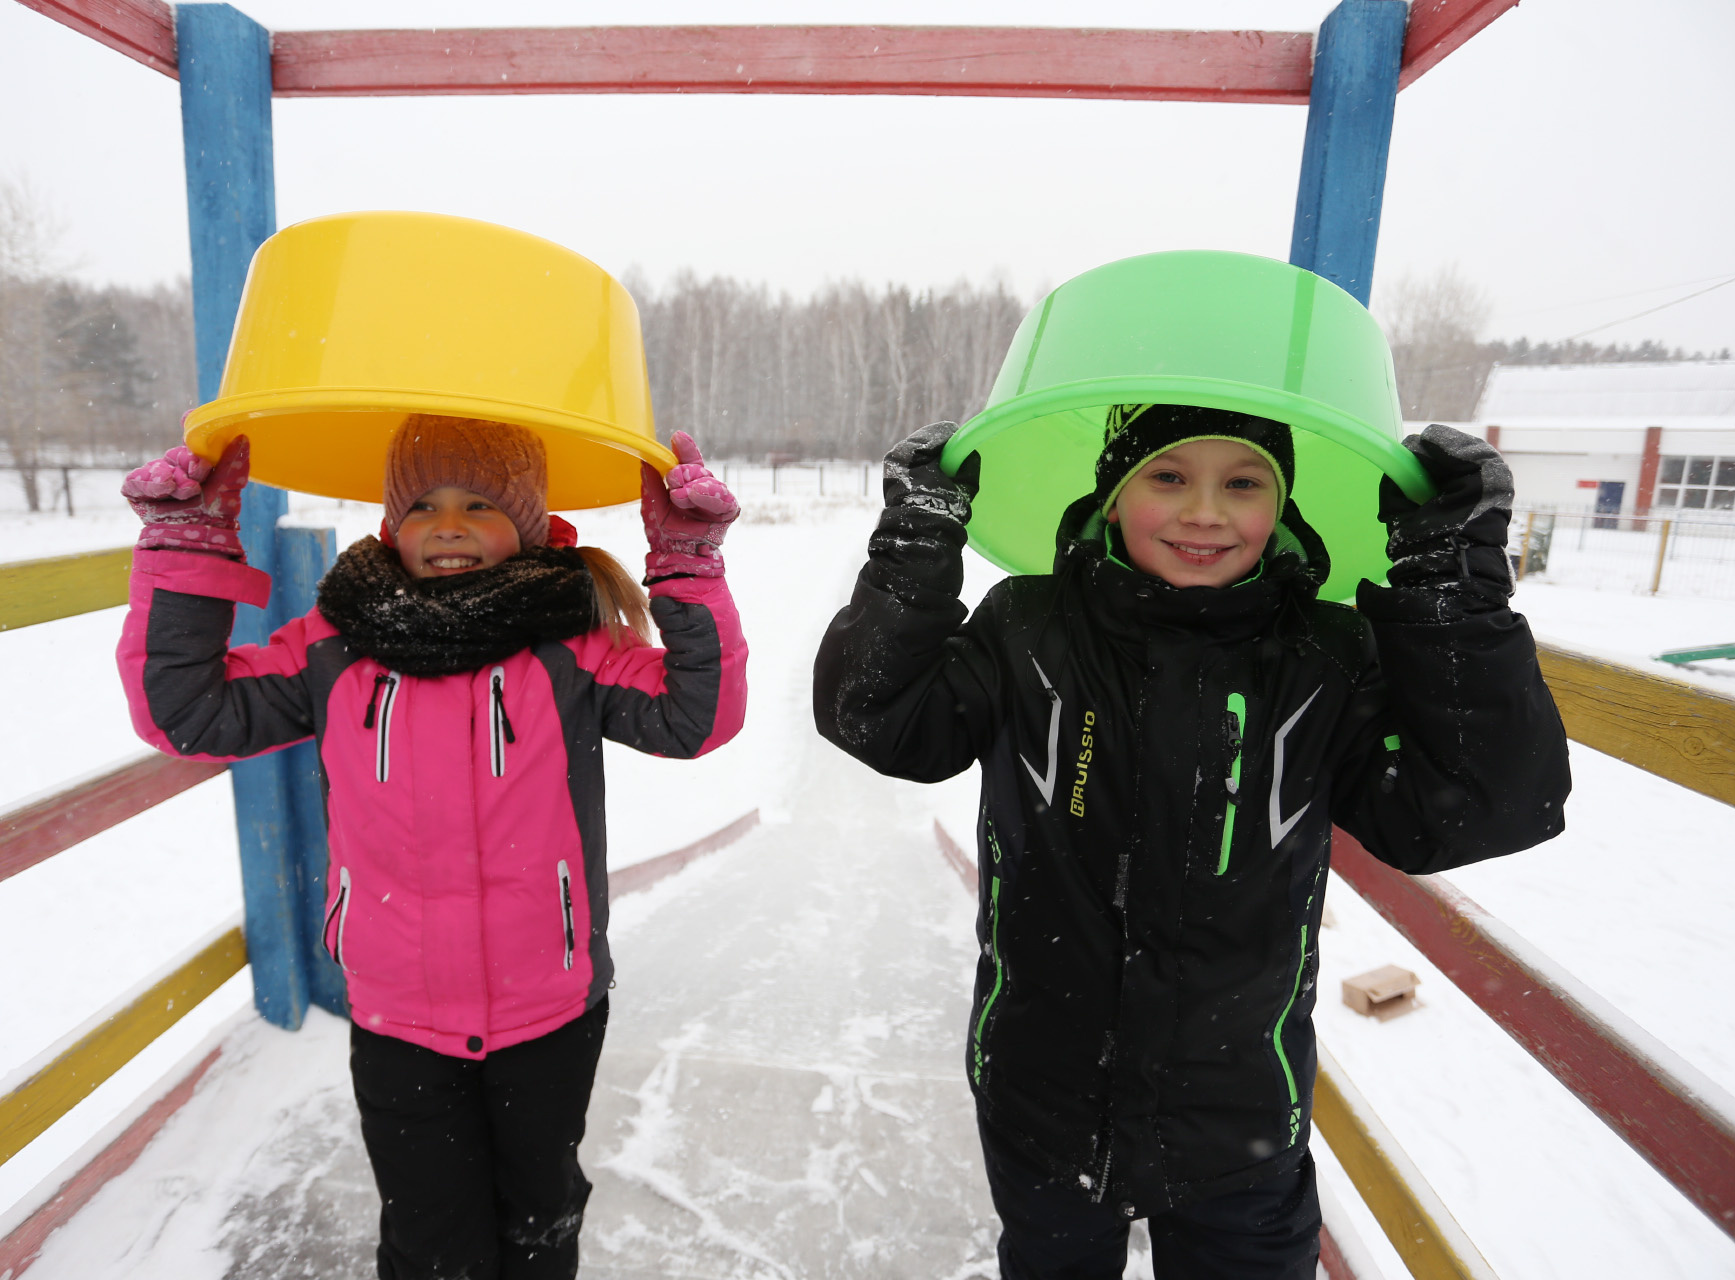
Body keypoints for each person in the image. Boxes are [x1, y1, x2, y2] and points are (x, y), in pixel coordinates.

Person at [813, 405, 1570, 1279]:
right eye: (1168, 476)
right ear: (1112, 494)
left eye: (1243, 483)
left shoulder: (1324, 653)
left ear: (1281, 505)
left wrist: (1449, 585)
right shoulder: (1030, 625)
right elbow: (875, 717)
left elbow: (1483, 807)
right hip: (1043, 1098)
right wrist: (917, 541)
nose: (1205, 512)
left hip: (1239, 1117)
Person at [117, 415, 747, 1280]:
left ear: (527, 525)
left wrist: (685, 567)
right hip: (399, 1018)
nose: (447, 524)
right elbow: (188, 713)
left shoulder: (571, 647)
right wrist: (186, 552)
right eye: (423, 506)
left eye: (479, 503)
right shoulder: (333, 651)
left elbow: (696, 718)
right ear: (390, 525)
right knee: (428, 1242)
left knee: (540, 1221)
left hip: (549, 1012)